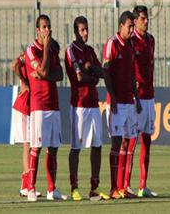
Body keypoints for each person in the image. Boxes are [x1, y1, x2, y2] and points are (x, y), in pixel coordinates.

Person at [65, 16, 110, 201]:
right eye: (82, 30)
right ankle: (74, 187)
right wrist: (92, 75)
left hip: (93, 104)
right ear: (75, 31)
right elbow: (79, 77)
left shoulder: (90, 51)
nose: (85, 33)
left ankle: (94, 187)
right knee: (76, 147)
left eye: (87, 29)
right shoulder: (71, 51)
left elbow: (101, 72)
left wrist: (90, 68)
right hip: (79, 106)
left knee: (97, 145)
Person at [23, 14, 66, 202]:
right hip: (38, 105)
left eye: (49, 26)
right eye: (44, 27)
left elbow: (59, 74)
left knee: (54, 148)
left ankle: (51, 189)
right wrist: (47, 49)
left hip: (53, 104)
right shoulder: (31, 50)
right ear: (38, 30)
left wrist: (45, 74)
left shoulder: (53, 50)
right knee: (37, 147)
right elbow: (42, 69)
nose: (48, 30)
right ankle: (31, 188)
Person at [102, 11, 142, 199]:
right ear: (121, 26)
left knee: (129, 142)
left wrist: (137, 99)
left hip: (129, 102)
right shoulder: (113, 44)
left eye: (133, 26)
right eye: (129, 26)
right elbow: (106, 73)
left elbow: (133, 75)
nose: (132, 29)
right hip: (117, 103)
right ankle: (113, 188)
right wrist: (113, 98)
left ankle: (123, 187)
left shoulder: (131, 45)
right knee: (116, 144)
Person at [128, 5, 157, 197]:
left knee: (147, 140)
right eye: (142, 19)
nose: (145, 21)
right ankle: (126, 185)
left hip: (149, 96)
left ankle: (142, 185)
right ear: (135, 21)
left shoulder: (151, 40)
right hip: (135, 97)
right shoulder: (131, 42)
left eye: (147, 18)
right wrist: (132, 93)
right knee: (132, 140)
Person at [11, 53, 41, 198]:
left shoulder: (41, 58)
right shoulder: (28, 55)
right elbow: (14, 65)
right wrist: (23, 81)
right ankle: (25, 185)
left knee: (32, 146)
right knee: (27, 146)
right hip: (22, 108)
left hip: (31, 109)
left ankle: (27, 184)